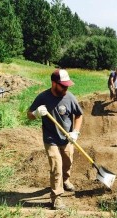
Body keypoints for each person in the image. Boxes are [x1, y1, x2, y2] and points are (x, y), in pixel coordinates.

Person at [27, 69, 83, 210]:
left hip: (67, 138)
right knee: (56, 166)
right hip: (50, 138)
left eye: (67, 85)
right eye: (63, 85)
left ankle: (65, 180)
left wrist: (75, 132)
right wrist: (35, 113)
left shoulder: (70, 97)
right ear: (54, 83)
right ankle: (56, 198)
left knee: (67, 161)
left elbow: (79, 115)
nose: (66, 88)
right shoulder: (43, 97)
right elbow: (29, 115)